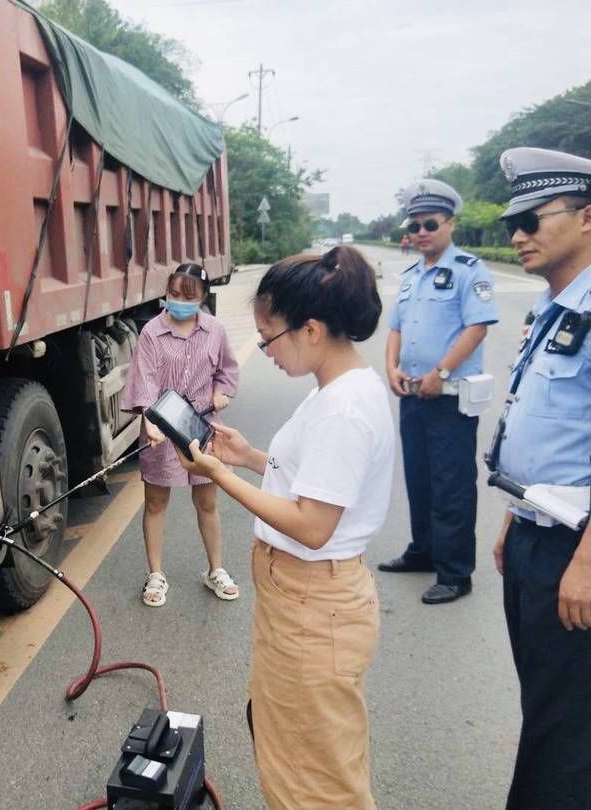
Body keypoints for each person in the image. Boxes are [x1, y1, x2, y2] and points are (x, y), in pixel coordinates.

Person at [173, 246, 394, 809]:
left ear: (312, 329)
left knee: (311, 781)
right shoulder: (339, 392)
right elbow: (310, 480)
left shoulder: (342, 410)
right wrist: (250, 457)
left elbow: (312, 524)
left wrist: (218, 472)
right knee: (314, 760)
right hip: (304, 603)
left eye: (269, 338)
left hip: (312, 607)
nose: (264, 352)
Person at [488, 146, 591, 809]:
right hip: (535, 537)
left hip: (574, 551)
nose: (520, 235)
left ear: (587, 218)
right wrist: (514, 515)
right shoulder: (552, 308)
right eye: (510, 226)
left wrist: (586, 560)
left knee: (564, 739)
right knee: (549, 712)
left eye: (533, 218)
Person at [378, 179, 499, 604]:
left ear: (450, 223)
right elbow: (395, 327)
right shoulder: (412, 276)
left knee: (452, 485)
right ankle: (423, 551)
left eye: (431, 223)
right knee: (419, 479)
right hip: (412, 394)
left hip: (449, 397)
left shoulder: (470, 270)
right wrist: (390, 366)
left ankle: (455, 572)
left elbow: (478, 326)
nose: (422, 231)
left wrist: (442, 371)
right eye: (416, 224)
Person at [121, 263, 240, 607]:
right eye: (173, 294)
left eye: (189, 297)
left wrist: (223, 392)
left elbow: (227, 371)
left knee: (207, 501)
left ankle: (215, 569)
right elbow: (142, 380)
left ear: (203, 298)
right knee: (156, 502)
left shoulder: (215, 330)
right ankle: (156, 574)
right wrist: (149, 421)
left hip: (203, 426)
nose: (179, 302)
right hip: (162, 427)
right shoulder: (151, 333)